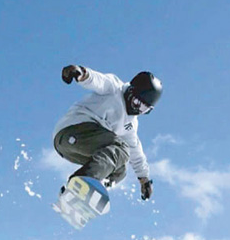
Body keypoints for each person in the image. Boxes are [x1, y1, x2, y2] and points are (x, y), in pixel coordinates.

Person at [53, 65, 162, 200]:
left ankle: (87, 192)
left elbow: (136, 150)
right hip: (73, 130)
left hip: (71, 149)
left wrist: (144, 178)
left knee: (120, 170)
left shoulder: (130, 124)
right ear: (130, 90)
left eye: (144, 109)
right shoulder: (114, 88)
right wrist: (81, 73)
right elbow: (98, 80)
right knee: (121, 148)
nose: (137, 109)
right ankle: (80, 186)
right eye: (136, 102)